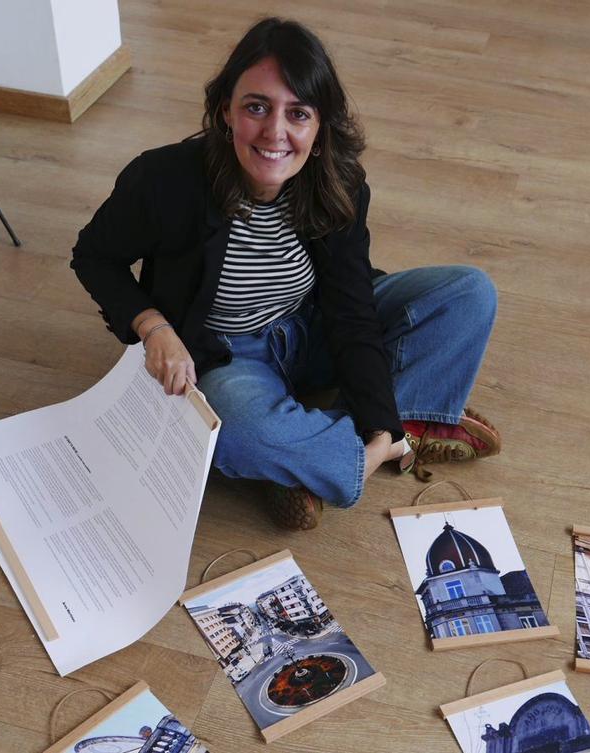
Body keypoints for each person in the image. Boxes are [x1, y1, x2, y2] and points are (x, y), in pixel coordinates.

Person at [71, 18, 500, 530]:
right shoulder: (163, 180)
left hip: (313, 325)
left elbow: (350, 310)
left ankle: (311, 459)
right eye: (257, 107)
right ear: (226, 110)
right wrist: (153, 326)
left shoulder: (339, 183)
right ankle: (402, 425)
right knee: (237, 433)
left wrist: (378, 427)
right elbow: (94, 257)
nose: (275, 132)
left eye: (298, 113)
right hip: (230, 353)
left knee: (469, 294)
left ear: (319, 130)